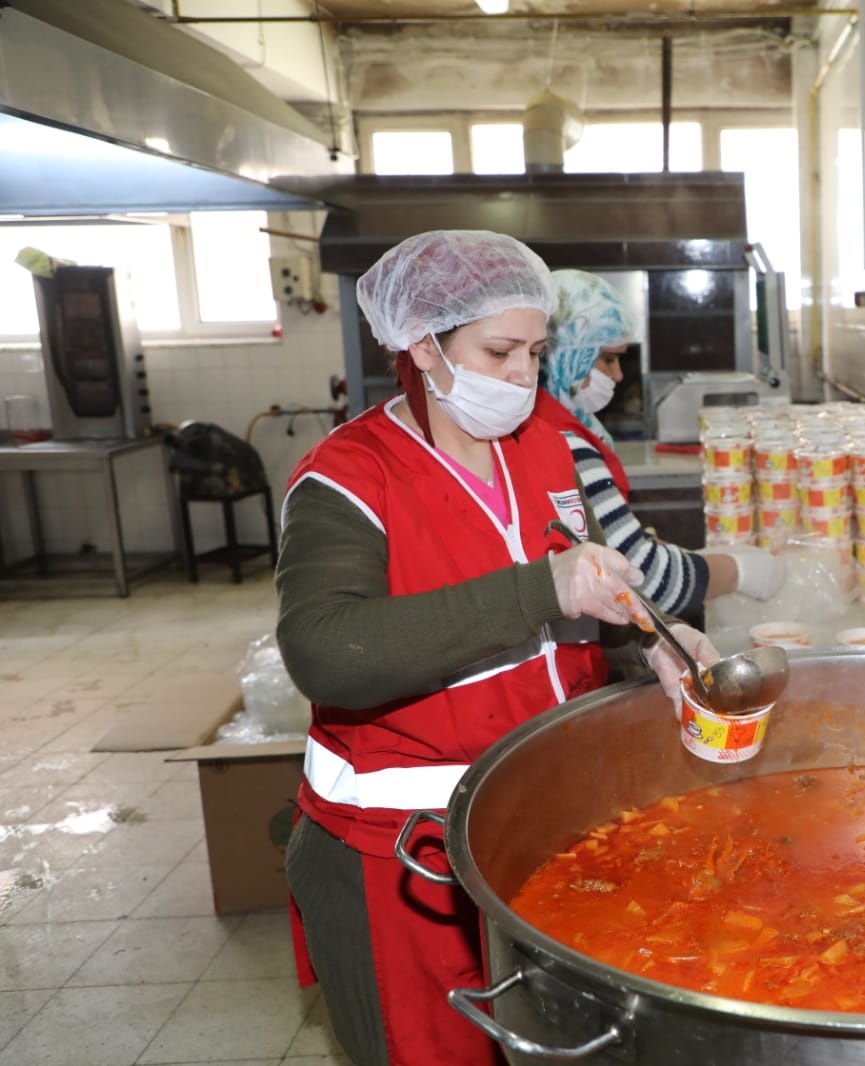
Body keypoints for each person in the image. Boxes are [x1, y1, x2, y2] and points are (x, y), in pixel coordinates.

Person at [273, 229, 719, 1066]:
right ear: (422, 345)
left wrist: (651, 643)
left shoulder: (545, 451)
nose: (524, 373)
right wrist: (540, 586)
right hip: (399, 859)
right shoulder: (349, 478)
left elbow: (574, 619)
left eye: (538, 350)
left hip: (537, 828)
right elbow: (325, 650)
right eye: (499, 350)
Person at [536, 267, 786, 612]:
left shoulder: (552, 425)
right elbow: (644, 580)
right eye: (608, 359)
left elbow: (610, 544)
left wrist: (664, 552)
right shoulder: (561, 443)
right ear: (567, 354)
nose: (618, 375)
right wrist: (740, 571)